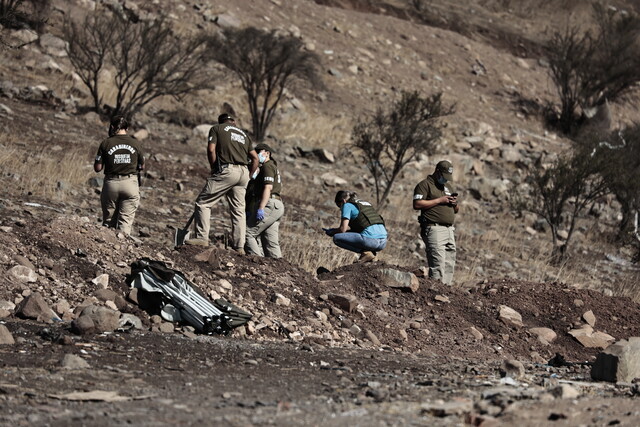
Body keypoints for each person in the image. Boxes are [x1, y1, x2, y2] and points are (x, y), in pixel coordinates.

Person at [186, 113, 259, 252]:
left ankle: (201, 238)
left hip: (227, 170)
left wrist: (214, 167)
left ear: (221, 122)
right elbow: (255, 158)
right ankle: (239, 247)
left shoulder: (217, 129)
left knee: (203, 203)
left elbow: (211, 149)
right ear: (234, 122)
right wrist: (248, 176)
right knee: (238, 211)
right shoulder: (244, 135)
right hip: (243, 173)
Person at [94, 115, 144, 236]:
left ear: (112, 127)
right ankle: (121, 248)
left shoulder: (106, 143)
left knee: (108, 223)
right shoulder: (135, 143)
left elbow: (98, 168)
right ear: (127, 129)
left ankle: (106, 248)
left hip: (112, 183)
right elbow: (142, 166)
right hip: (130, 184)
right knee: (125, 224)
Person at [413, 160, 459, 285]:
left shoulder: (447, 187)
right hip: (434, 228)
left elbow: (456, 210)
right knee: (438, 263)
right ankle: (436, 290)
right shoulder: (425, 185)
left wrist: (454, 204)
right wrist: (439, 200)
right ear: (437, 172)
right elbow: (417, 204)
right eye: (444, 177)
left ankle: (446, 289)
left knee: (449, 262)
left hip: (449, 229)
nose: (446, 180)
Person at [244, 143, 284, 258]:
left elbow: (268, 188)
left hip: (269, 203)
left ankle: (258, 262)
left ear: (267, 153)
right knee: (270, 241)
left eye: (259, 152)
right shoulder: (270, 167)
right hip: (276, 204)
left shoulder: (267, 166)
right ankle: (277, 267)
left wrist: (261, 207)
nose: (256, 155)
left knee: (248, 233)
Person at [324, 191, 387, 263]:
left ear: (343, 201)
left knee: (337, 238)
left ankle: (366, 253)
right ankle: (372, 256)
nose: (340, 209)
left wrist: (332, 231)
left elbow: (342, 230)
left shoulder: (347, 205)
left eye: (339, 206)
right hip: (383, 242)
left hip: (371, 241)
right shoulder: (364, 203)